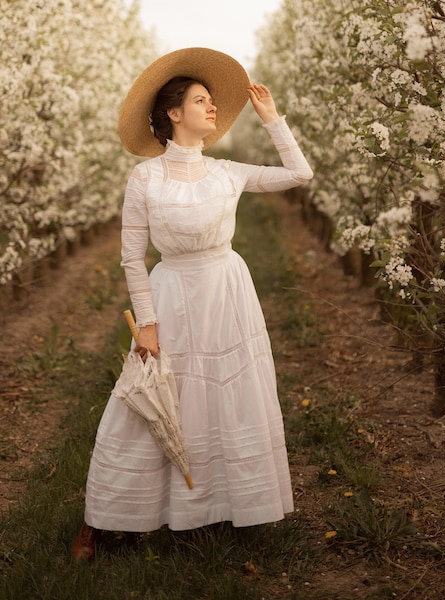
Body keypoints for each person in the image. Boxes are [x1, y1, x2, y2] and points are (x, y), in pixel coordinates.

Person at [71, 47, 313, 561]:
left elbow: (299, 174)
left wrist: (274, 121)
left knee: (225, 398)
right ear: (173, 114)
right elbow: (132, 259)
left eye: (212, 102)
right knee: (146, 397)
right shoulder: (145, 179)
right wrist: (148, 325)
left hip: (226, 291)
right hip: (173, 295)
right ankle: (107, 512)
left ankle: (211, 507)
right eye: (200, 101)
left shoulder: (227, 172)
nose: (213, 109)